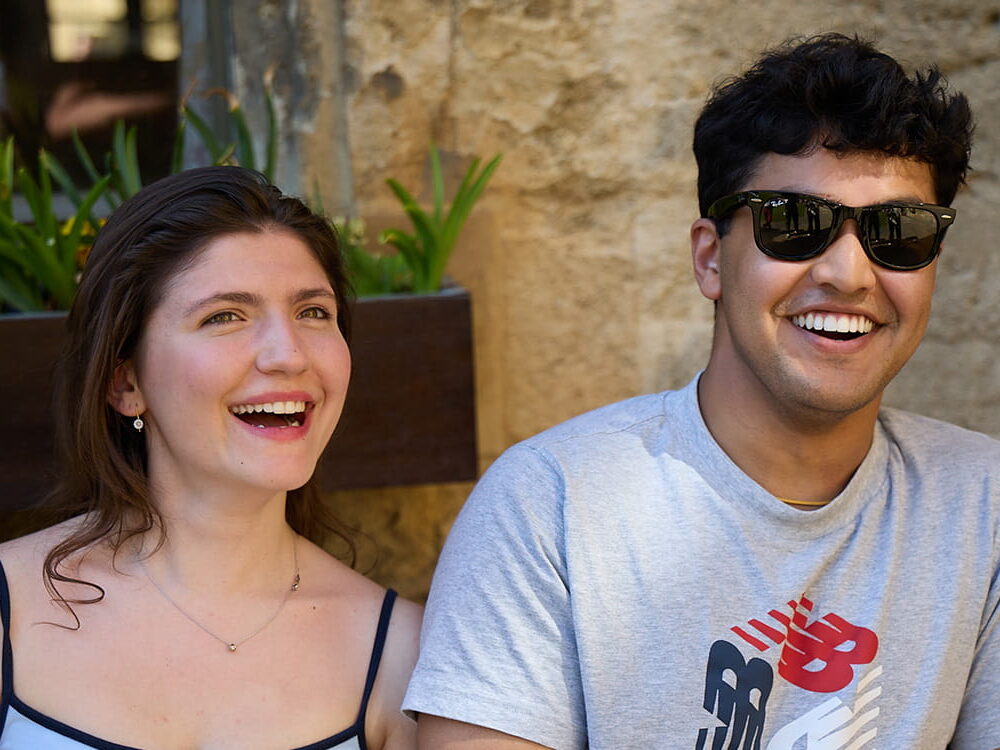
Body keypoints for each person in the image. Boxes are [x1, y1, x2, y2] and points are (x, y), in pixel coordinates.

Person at [403, 34, 1000, 748]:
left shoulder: (984, 511)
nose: (848, 272)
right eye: (794, 224)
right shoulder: (549, 508)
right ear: (711, 259)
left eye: (897, 232)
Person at [0, 166, 420, 749]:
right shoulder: (9, 615)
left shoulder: (400, 653)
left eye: (313, 312)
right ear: (125, 383)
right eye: (224, 316)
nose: (287, 354)